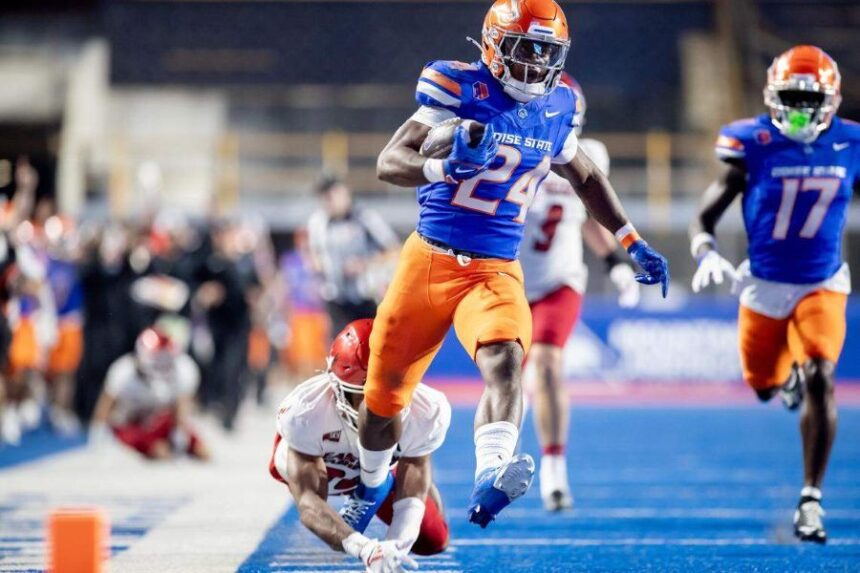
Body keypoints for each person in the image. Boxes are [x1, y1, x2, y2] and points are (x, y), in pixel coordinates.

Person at [354, 0, 669, 532]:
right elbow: (388, 162)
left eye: (548, 52)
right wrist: (442, 165)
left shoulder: (558, 105)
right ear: (495, 47)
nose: (537, 64)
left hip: (495, 268)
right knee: (383, 399)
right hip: (428, 260)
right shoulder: (456, 87)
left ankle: (492, 472)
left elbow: (586, 176)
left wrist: (629, 239)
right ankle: (368, 485)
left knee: (506, 360)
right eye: (527, 49)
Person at [689, 45, 858, 543]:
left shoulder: (849, 143)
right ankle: (784, 381)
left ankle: (810, 499)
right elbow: (706, 214)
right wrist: (705, 251)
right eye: (791, 99)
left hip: (821, 281)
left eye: (811, 101)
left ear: (833, 100)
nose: (801, 111)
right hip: (762, 285)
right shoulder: (753, 143)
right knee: (763, 385)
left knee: (822, 374)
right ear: (772, 97)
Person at [519, 74, 640, 511]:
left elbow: (590, 215)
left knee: (549, 364)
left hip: (558, 279)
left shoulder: (587, 155)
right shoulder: (514, 146)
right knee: (508, 374)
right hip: (508, 280)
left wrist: (615, 262)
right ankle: (497, 462)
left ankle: (554, 470)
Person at [269, 319, 450, 572]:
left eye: (387, 394)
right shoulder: (307, 411)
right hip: (327, 464)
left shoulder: (426, 409)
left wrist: (393, 551)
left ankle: (379, 480)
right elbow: (309, 502)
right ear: (338, 387)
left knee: (434, 540)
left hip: (385, 460)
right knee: (286, 465)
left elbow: (413, 493)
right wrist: (366, 550)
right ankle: (377, 481)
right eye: (363, 396)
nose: (375, 410)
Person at [90, 327, 208, 460]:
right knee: (156, 450)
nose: (161, 365)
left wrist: (179, 434)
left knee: (202, 451)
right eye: (158, 359)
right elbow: (105, 405)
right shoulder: (123, 372)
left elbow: (182, 404)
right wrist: (98, 433)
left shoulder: (183, 369)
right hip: (134, 424)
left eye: (165, 359)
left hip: (162, 421)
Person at [307, 176, 400, 336]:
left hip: (366, 296)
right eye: (323, 198)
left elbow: (394, 249)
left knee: (368, 346)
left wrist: (365, 263)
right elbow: (315, 253)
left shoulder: (365, 218)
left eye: (330, 196)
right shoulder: (317, 223)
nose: (327, 202)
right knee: (339, 351)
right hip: (335, 298)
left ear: (343, 193)